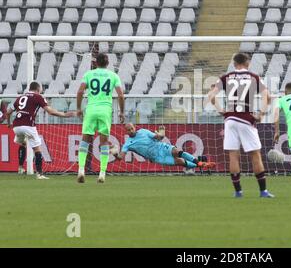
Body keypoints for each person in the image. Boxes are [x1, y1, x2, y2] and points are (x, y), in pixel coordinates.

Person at [208, 52, 275, 198]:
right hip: (246, 118)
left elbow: (211, 96)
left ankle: (238, 192)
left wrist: (221, 111)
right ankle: (263, 191)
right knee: (255, 155)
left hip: (230, 119)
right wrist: (261, 114)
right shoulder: (254, 77)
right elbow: (267, 97)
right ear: (248, 63)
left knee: (233, 155)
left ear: (234, 64)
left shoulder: (225, 77)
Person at [5, 81, 75, 179]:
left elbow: (8, 112)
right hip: (28, 125)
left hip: (16, 126)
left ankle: (20, 168)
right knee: (37, 149)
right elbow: (50, 111)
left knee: (23, 143)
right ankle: (39, 174)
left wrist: (8, 124)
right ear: (38, 89)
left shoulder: (20, 97)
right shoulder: (38, 97)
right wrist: (64, 115)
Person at [76, 53, 125, 184]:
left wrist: (78, 108)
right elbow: (121, 95)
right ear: (107, 64)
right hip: (105, 110)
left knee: (85, 140)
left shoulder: (88, 74)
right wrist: (121, 112)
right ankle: (102, 173)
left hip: (91, 109)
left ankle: (81, 170)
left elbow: (80, 91)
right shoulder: (114, 76)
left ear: (95, 63)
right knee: (104, 142)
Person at [113, 123, 215, 170]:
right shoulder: (128, 144)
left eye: (132, 128)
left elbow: (158, 138)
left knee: (177, 151)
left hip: (161, 147)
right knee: (180, 162)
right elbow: (120, 157)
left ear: (134, 128)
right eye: (128, 130)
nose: (131, 131)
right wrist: (115, 154)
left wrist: (161, 134)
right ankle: (200, 164)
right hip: (156, 157)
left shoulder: (143, 131)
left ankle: (200, 163)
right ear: (125, 131)